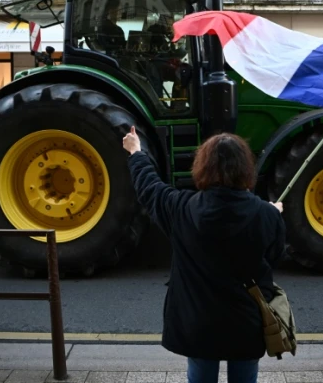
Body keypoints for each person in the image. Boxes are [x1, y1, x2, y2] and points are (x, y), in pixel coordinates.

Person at [122, 126, 286, 383]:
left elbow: (149, 187)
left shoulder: (181, 208)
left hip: (197, 321)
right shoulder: (266, 215)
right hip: (246, 321)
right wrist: (272, 214)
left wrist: (136, 152)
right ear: (246, 169)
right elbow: (273, 256)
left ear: (202, 167)